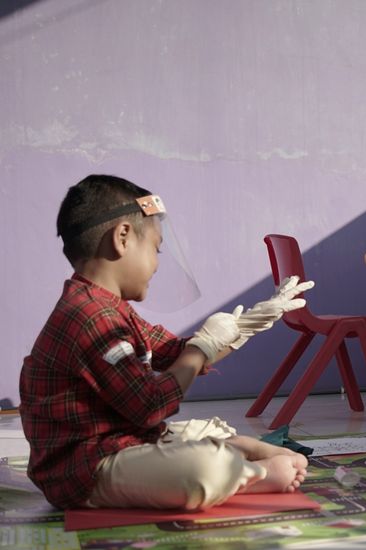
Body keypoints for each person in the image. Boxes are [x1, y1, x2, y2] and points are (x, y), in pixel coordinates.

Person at [19, 175, 314, 510]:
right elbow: (150, 406)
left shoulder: (110, 309)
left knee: (201, 433)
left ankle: (239, 451)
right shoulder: (91, 318)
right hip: (84, 470)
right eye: (156, 249)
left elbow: (178, 353)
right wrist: (202, 345)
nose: (158, 264)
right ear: (123, 238)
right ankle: (251, 474)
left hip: (117, 446)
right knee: (204, 466)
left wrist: (247, 325)